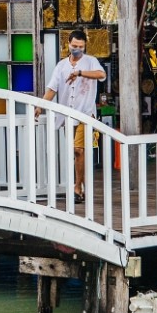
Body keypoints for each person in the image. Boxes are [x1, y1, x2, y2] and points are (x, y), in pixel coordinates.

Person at [36, 28, 106, 203]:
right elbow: (52, 88)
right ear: (68, 44)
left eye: (81, 47)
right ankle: (80, 187)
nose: (78, 49)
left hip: (86, 113)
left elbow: (101, 75)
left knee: (78, 149)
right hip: (68, 114)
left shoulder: (91, 62)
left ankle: (76, 187)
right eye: (75, 46)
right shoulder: (61, 65)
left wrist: (80, 73)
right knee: (76, 153)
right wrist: (41, 106)